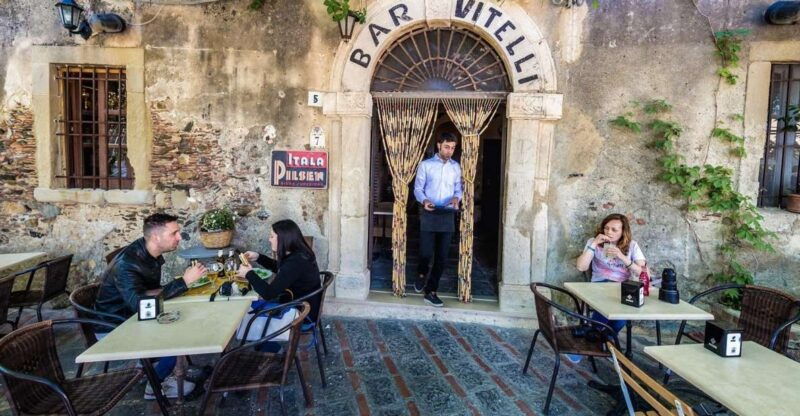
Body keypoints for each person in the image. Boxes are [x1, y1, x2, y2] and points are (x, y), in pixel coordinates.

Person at [95, 213, 206, 399]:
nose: (179, 237)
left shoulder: (148, 251)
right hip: (115, 326)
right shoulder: (128, 264)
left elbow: (150, 292)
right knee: (182, 332)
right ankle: (154, 384)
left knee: (189, 317)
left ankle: (159, 367)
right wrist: (184, 282)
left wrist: (183, 285)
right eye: (174, 233)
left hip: (130, 315)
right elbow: (141, 306)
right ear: (156, 237)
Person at [573, 213, 647, 363]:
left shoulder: (632, 246)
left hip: (622, 287)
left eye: (614, 230)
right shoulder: (593, 242)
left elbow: (643, 272)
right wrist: (594, 244)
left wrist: (622, 257)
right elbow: (581, 267)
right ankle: (606, 342)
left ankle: (593, 339)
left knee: (625, 310)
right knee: (612, 307)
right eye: (606, 228)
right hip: (599, 284)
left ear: (623, 232)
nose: (609, 232)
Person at [413, 132, 462, 307]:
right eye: (447, 147)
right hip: (429, 212)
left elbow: (458, 189)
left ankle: (431, 291)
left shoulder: (456, 167)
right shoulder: (425, 165)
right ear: (439, 145)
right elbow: (418, 189)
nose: (450, 151)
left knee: (442, 257)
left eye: (453, 148)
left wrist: (457, 198)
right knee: (426, 253)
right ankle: (421, 274)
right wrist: (424, 200)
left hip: (447, 214)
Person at [237, 219, 321, 321]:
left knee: (243, 312)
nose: (269, 239)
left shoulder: (295, 262)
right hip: (300, 304)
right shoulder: (299, 254)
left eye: (272, 236)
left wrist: (248, 274)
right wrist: (258, 257)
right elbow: (283, 270)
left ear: (283, 239)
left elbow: (269, 294)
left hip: (300, 314)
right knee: (249, 305)